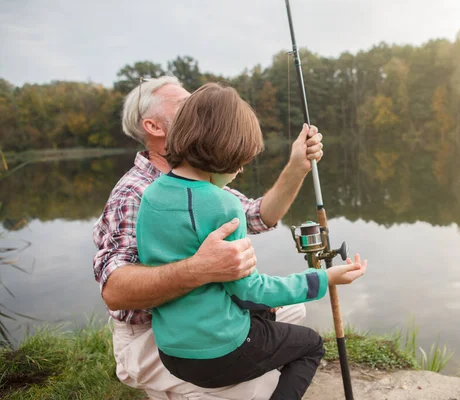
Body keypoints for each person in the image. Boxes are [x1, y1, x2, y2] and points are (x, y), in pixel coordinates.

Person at [92, 76, 325, 399]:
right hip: (154, 333)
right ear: (154, 126)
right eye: (187, 105)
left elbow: (259, 215)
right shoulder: (134, 192)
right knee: (263, 387)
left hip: (207, 314)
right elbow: (115, 290)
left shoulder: (202, 178)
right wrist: (199, 268)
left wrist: (297, 166)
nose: (199, 107)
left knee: (291, 309)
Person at [136, 82, 367, 400]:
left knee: (267, 316)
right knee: (310, 346)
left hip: (171, 352)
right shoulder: (224, 204)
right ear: (223, 150)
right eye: (240, 161)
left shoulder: (150, 194)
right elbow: (250, 291)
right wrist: (323, 278)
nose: (241, 169)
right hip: (219, 353)